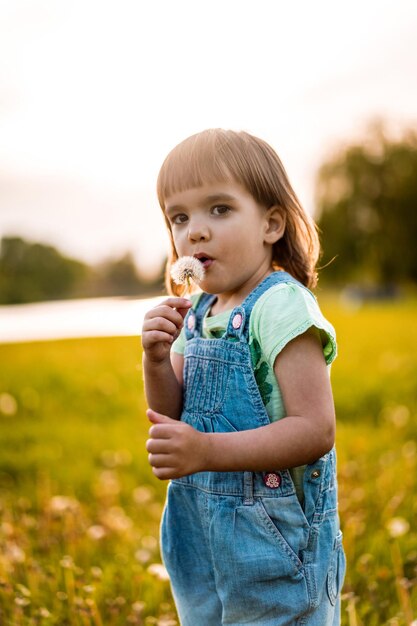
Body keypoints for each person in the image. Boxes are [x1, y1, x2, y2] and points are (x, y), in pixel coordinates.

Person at [141, 129, 346, 625]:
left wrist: (207, 452)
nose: (195, 232)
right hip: (202, 540)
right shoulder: (198, 309)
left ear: (271, 224)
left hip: (273, 542)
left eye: (219, 209)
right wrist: (154, 358)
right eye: (180, 217)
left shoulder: (279, 305)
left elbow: (315, 430)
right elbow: (172, 412)